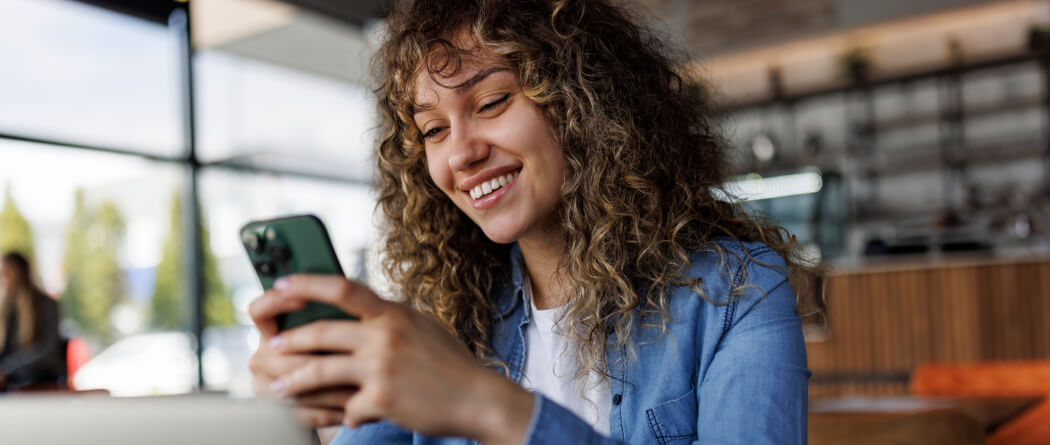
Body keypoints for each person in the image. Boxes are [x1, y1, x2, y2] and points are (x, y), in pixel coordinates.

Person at [249, 0, 821, 443]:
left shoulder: (738, 292)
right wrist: (286, 414)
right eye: (433, 130)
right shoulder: (446, 324)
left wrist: (487, 405)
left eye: (492, 102)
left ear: (586, 103)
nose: (461, 154)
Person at [0, 252, 63, 391]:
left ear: (20, 272)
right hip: (11, 378)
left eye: (6, 272)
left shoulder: (46, 305)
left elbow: (47, 350)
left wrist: (8, 368)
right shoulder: (7, 307)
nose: (3, 277)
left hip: (38, 378)